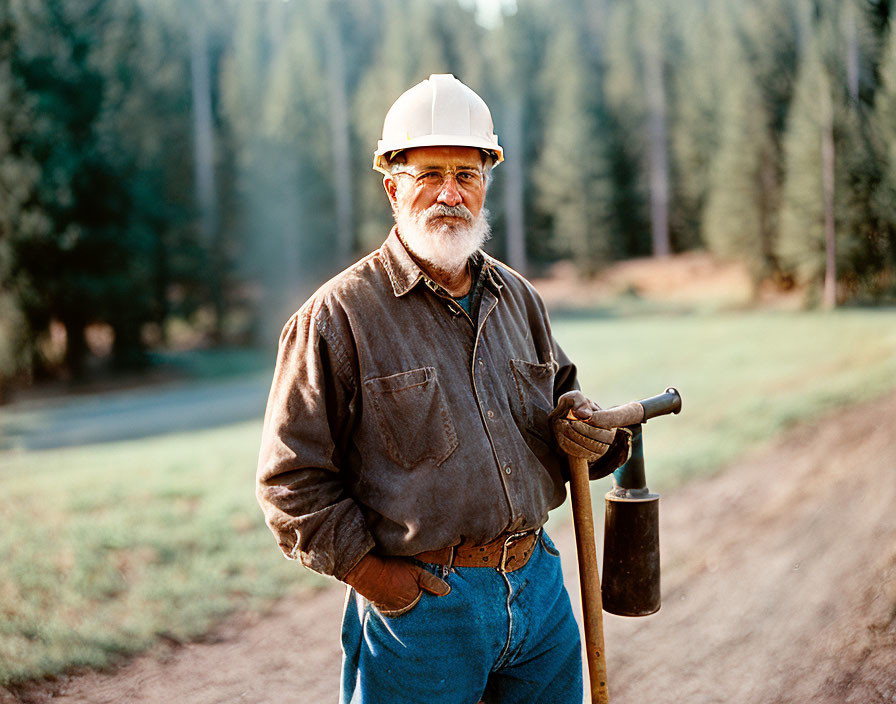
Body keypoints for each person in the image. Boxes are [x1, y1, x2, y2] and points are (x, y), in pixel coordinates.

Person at [256, 74, 632, 704]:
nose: (450, 194)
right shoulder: (336, 318)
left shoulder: (520, 299)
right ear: (392, 185)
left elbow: (567, 415)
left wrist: (588, 430)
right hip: (425, 612)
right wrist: (375, 579)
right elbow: (289, 483)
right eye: (429, 173)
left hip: (538, 590)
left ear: (486, 183)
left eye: (467, 173)